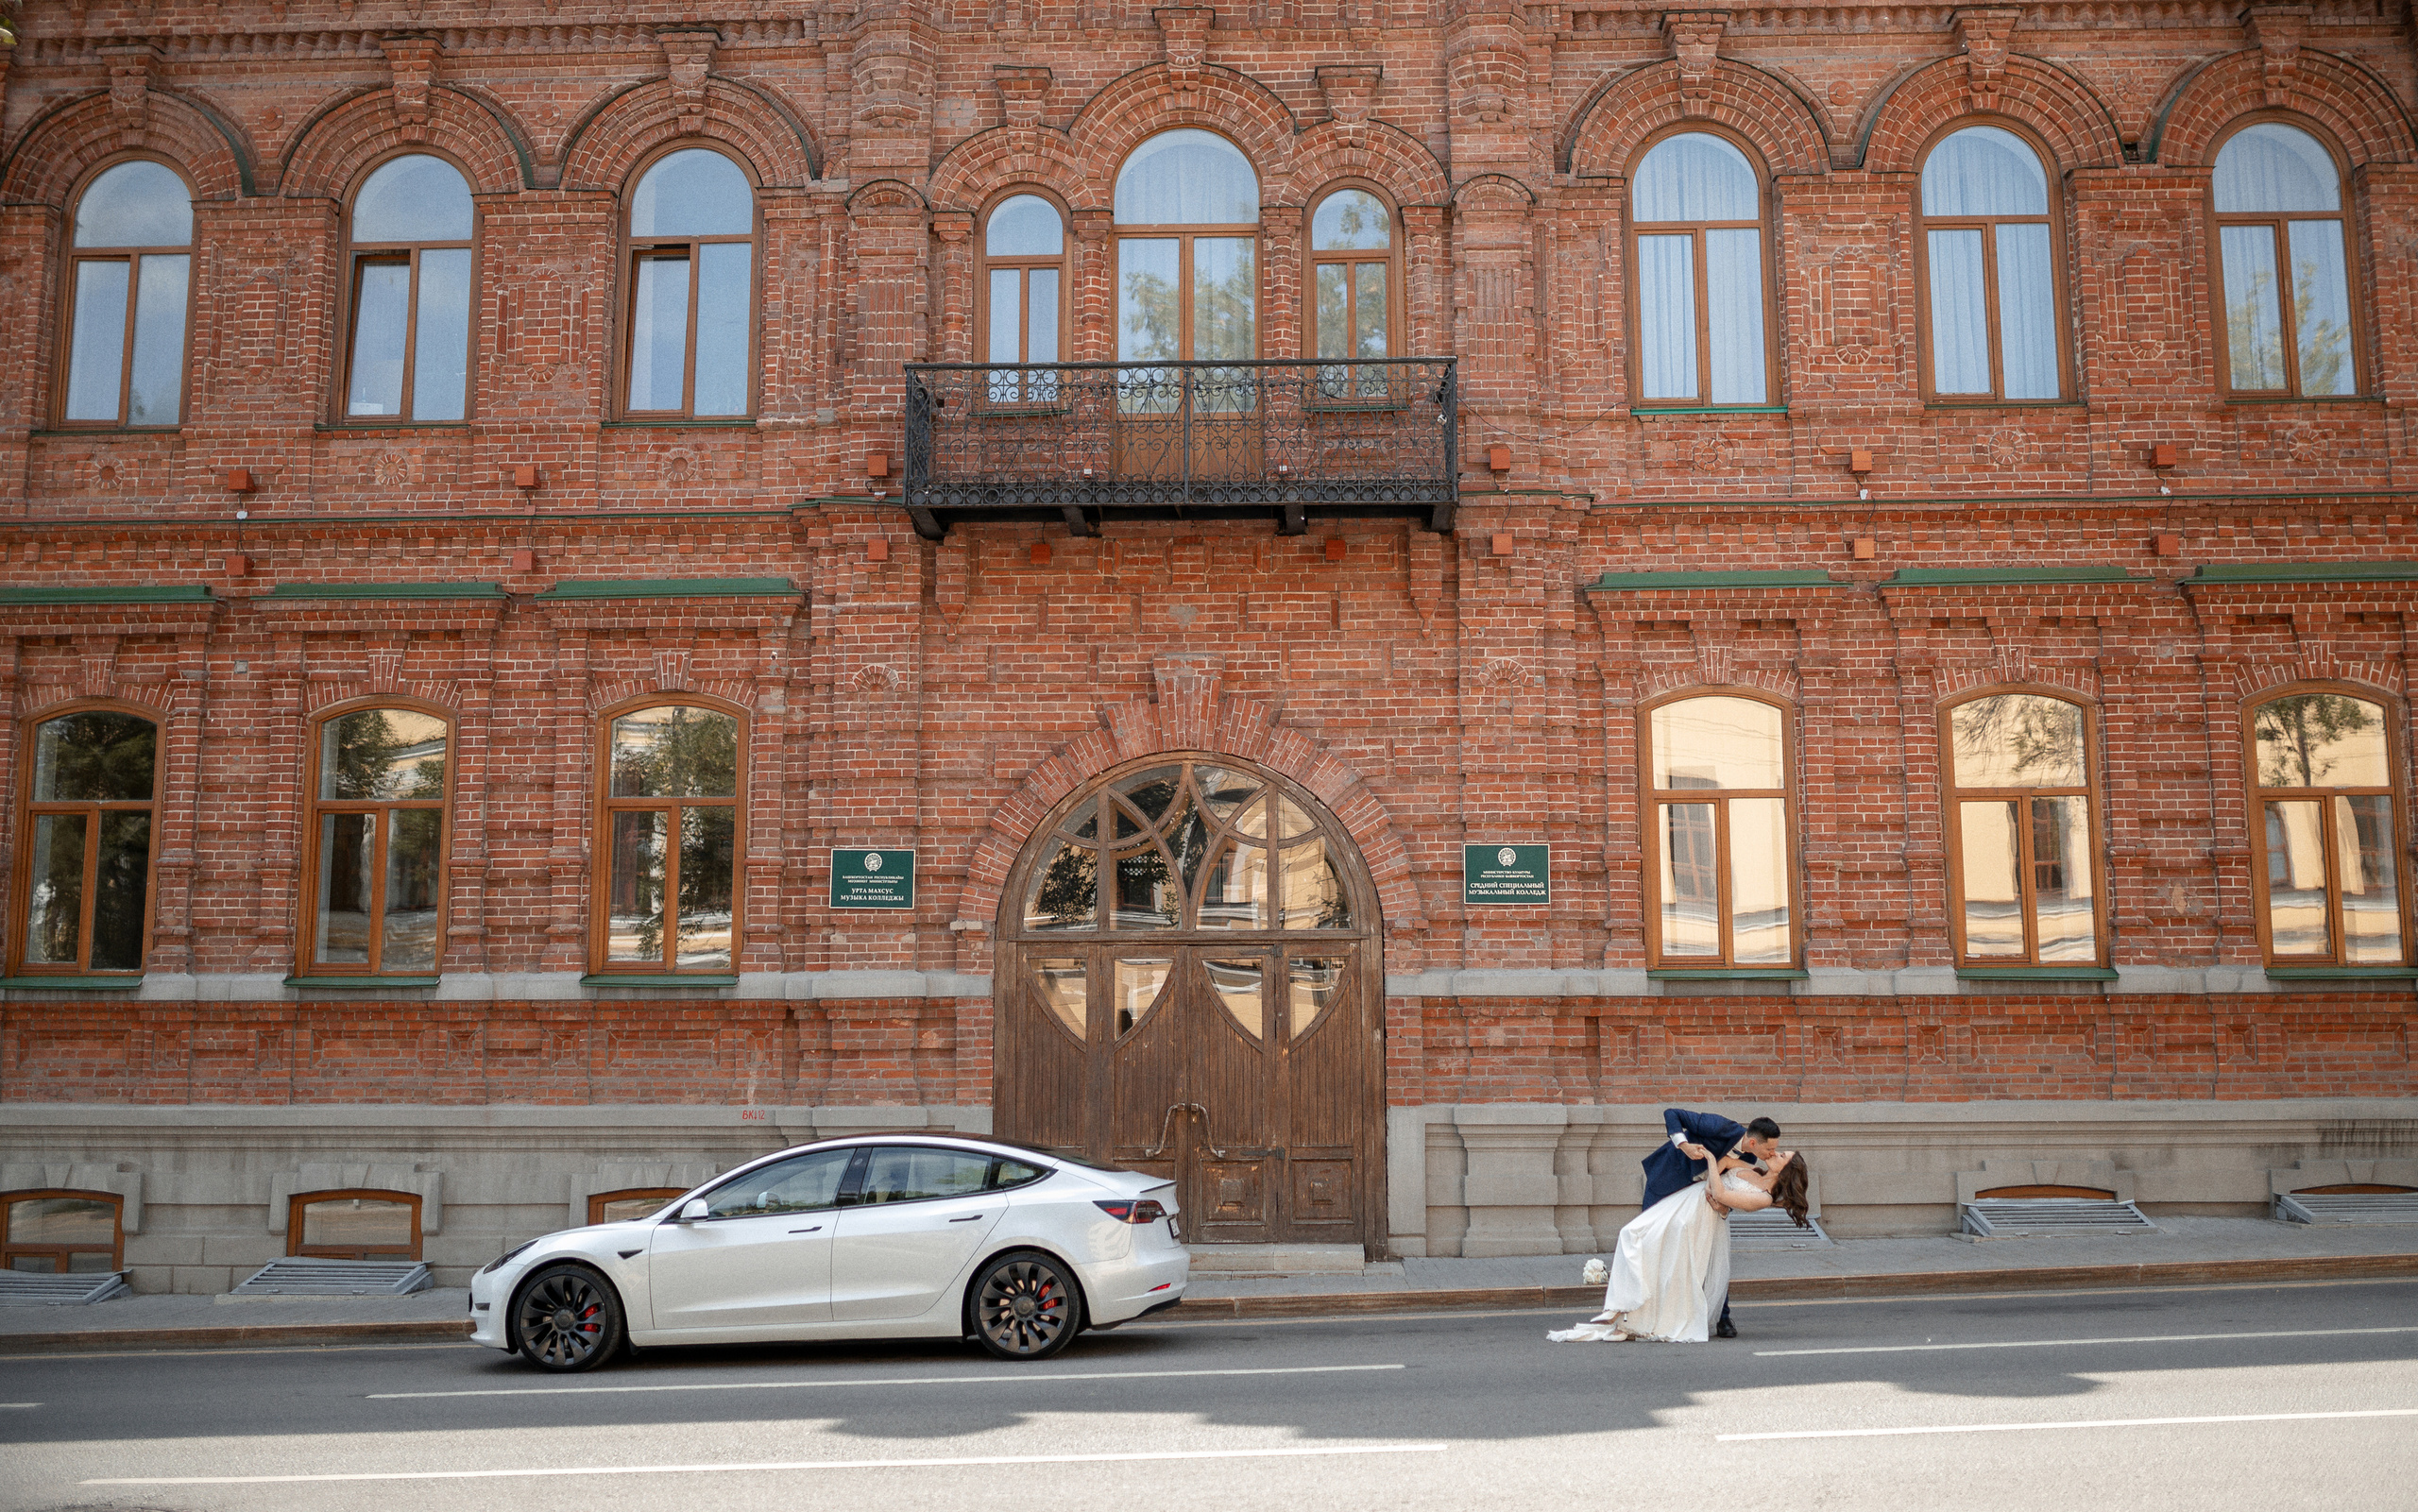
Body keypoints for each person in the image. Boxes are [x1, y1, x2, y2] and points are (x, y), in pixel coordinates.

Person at [1547, 1145, 1811, 1345]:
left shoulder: (1764, 1198)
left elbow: (1720, 1192)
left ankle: (1626, 1319)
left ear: (1786, 1171)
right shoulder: (1753, 1170)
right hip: (1688, 1200)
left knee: (1668, 1266)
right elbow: (1723, 1170)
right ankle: (1619, 1309)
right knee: (1632, 1233)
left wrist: (1711, 1163)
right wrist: (1714, 1182)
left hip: (1697, 1219)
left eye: (1782, 1156)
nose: (1775, 1153)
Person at [1640, 1109, 1780, 1337]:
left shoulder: (1749, 1159)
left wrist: (1725, 1208)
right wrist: (1684, 1145)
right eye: (1769, 1149)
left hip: (1702, 1202)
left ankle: (1722, 1317)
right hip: (1667, 1182)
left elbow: (1730, 1189)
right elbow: (1672, 1113)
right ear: (1753, 1142)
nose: (1772, 1154)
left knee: (1711, 1254)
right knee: (1649, 1242)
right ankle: (1642, 1310)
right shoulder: (1720, 1126)